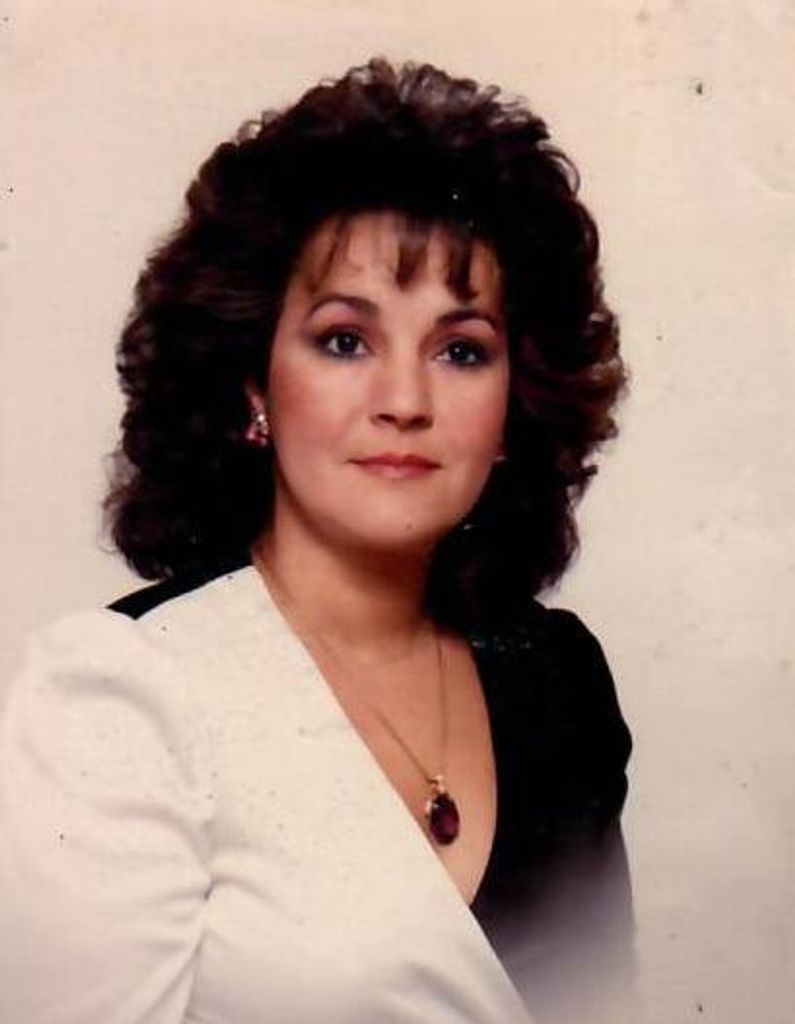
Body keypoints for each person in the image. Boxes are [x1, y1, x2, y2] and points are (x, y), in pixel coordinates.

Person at [0, 58, 633, 1023]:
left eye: (461, 350)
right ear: (253, 384)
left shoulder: (558, 679)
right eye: (344, 340)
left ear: (515, 405)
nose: (404, 401)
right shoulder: (125, 692)